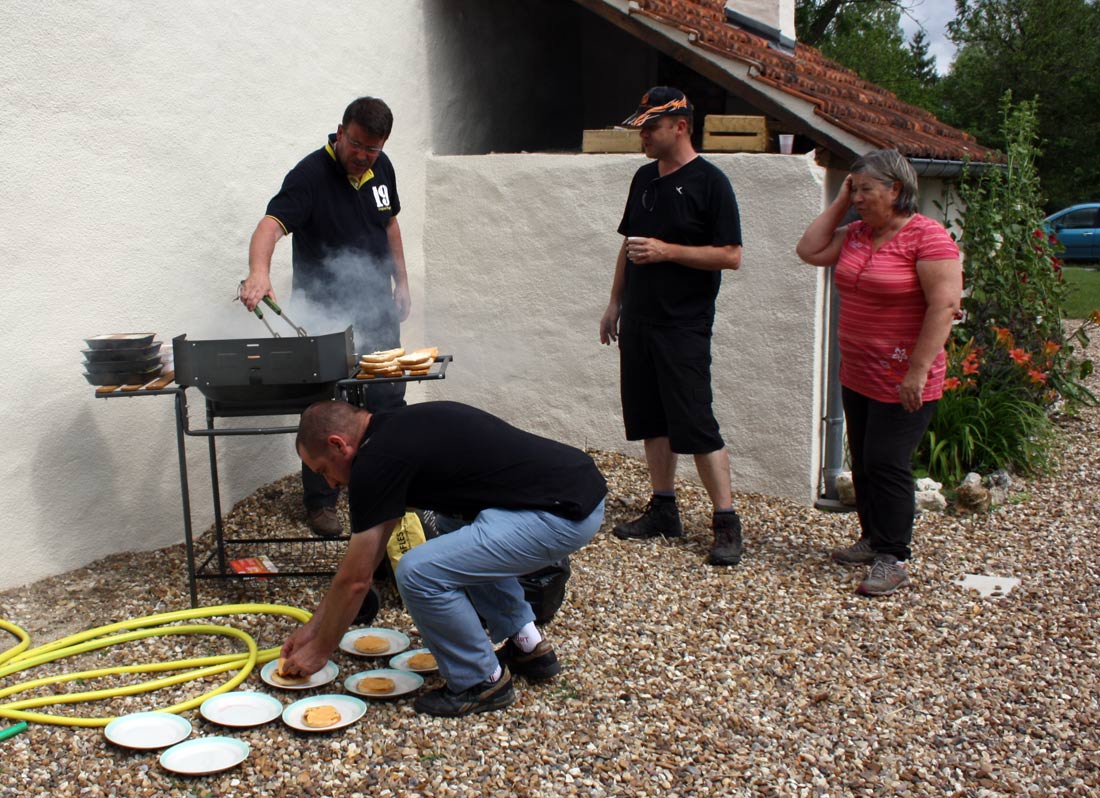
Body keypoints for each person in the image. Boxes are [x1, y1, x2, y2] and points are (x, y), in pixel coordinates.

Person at [279, 399, 607, 717]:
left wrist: (320, 651)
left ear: (339, 444)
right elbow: (362, 564)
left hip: (562, 515)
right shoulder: (393, 431)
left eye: (324, 470)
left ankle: (481, 681)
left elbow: (355, 582)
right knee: (452, 522)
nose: (330, 483)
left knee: (418, 571)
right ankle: (526, 644)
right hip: (573, 492)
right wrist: (312, 630)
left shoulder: (375, 463)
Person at [239, 96, 411, 539]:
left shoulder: (382, 168)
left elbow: (390, 225)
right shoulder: (309, 176)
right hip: (324, 318)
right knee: (324, 411)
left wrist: (402, 284)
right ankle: (321, 502)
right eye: (355, 144)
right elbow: (270, 226)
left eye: (371, 149)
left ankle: (391, 489)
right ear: (340, 131)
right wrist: (260, 271)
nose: (361, 155)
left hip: (377, 311)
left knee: (388, 403)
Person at [795, 149, 962, 596]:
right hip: (860, 373)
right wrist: (841, 201)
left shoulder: (928, 238)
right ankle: (872, 538)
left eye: (866, 189)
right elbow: (808, 250)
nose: (860, 198)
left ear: (896, 190)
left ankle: (894, 556)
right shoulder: (855, 234)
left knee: (888, 462)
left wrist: (917, 371)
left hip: (906, 378)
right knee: (866, 460)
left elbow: (944, 306)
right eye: (855, 189)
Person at [598, 87, 745, 567]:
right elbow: (628, 244)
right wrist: (615, 302)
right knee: (649, 418)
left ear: (680, 126)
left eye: (651, 127)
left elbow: (731, 255)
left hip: (683, 323)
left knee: (694, 421)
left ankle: (725, 523)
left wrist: (668, 252)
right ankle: (663, 509)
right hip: (639, 318)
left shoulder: (711, 183)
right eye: (641, 127)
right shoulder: (643, 178)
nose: (643, 135)